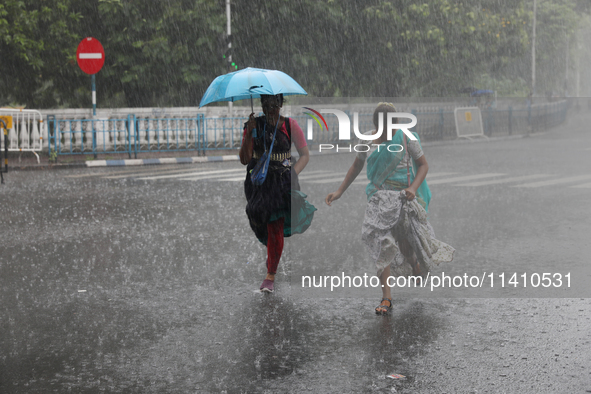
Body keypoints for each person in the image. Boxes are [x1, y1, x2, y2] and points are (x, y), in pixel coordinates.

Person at [325, 102, 454, 315]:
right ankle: (386, 297)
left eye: (393, 126)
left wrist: (413, 187)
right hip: (378, 200)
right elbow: (356, 166)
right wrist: (339, 191)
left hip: (404, 199)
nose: (390, 132)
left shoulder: (406, 137)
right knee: (381, 243)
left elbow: (423, 164)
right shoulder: (366, 139)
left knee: (406, 244)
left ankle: (413, 263)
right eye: (386, 128)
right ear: (377, 125)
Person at [240, 94, 316, 293]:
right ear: (262, 106)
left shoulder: (290, 126)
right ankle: (272, 254)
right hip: (257, 184)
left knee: (276, 226)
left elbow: (305, 155)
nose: (271, 109)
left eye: (275, 105)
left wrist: (292, 173)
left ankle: (270, 274)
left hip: (282, 184)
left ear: (281, 105)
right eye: (266, 105)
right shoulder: (253, 125)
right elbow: (244, 158)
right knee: (258, 220)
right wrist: (249, 133)